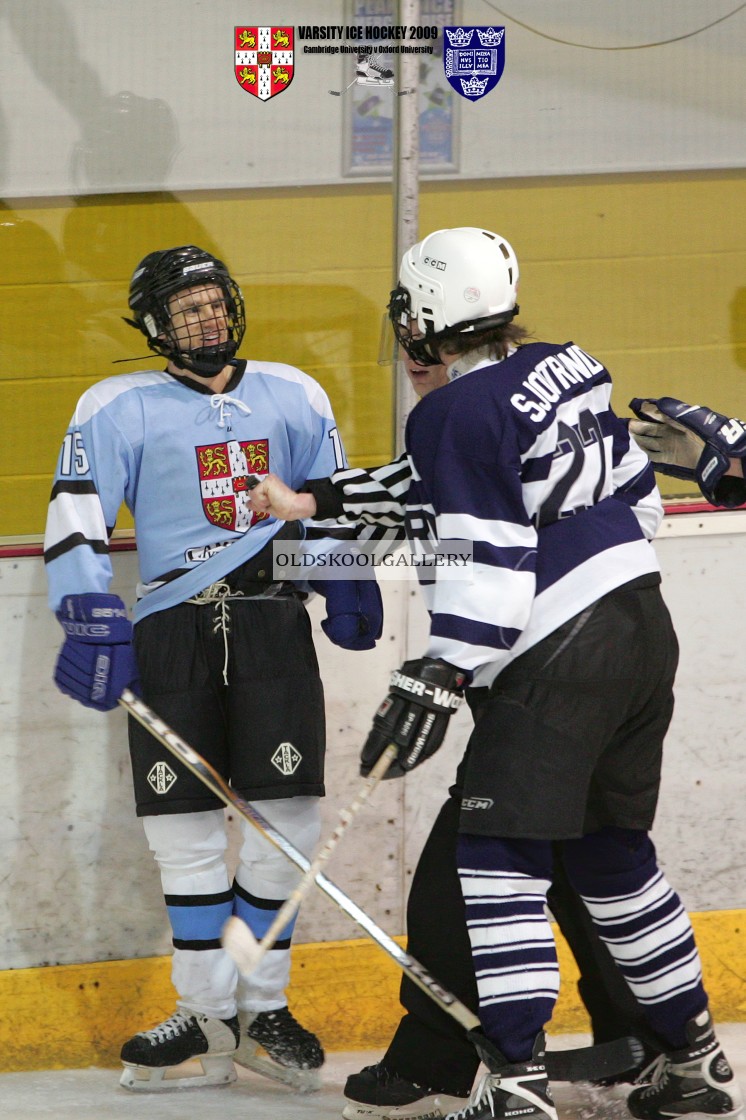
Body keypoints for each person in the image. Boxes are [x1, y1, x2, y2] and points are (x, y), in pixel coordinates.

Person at [247, 228, 744, 1120]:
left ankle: (514, 1082)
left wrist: (439, 667)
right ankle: (694, 1063)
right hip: (640, 629)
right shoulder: (565, 365)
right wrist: (312, 503)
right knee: (614, 861)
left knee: (495, 861)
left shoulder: (450, 412)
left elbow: (488, 553)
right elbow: (618, 499)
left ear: (425, 319)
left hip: (557, 653)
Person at [43, 245, 383, 1093]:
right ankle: (205, 1015)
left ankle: (261, 1004)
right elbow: (77, 510)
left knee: (285, 829)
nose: (205, 319)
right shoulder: (115, 404)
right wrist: (87, 610)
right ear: (154, 326)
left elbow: (332, 497)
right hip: (170, 636)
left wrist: (347, 579)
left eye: (212, 302)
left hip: (272, 626)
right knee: (183, 841)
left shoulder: (294, 392)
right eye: (184, 309)